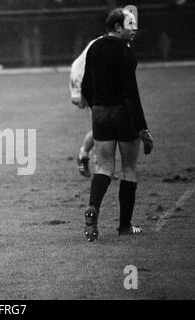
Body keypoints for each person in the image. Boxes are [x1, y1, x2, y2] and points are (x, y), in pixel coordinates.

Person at [81, 8, 153, 242]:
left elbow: (85, 87)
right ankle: (124, 226)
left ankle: (93, 208)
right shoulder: (126, 53)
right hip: (124, 114)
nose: (135, 29)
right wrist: (142, 128)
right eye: (130, 24)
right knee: (129, 169)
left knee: (103, 168)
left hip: (100, 113)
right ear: (118, 27)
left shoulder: (93, 47)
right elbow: (131, 94)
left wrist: (97, 108)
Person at [70, 36, 102, 178]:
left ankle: (99, 163)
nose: (133, 31)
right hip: (90, 87)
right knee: (100, 127)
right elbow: (78, 67)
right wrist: (76, 92)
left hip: (107, 88)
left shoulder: (124, 45)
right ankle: (91, 159)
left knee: (108, 127)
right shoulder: (99, 44)